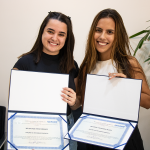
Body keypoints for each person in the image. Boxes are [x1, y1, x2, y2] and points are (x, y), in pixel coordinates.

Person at [77, 8, 150, 150]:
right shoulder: (86, 67)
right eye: (98, 30)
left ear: (118, 36)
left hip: (125, 139)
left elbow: (148, 102)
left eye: (109, 32)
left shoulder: (129, 63)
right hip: (95, 139)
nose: (102, 36)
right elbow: (85, 106)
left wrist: (126, 87)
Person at [13, 11, 81, 150]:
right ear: (42, 32)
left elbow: (77, 104)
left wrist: (74, 101)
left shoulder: (72, 65)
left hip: (66, 128)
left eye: (61, 34)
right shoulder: (23, 64)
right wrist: (26, 136)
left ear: (67, 38)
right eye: (50, 31)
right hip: (33, 130)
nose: (55, 38)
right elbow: (14, 106)